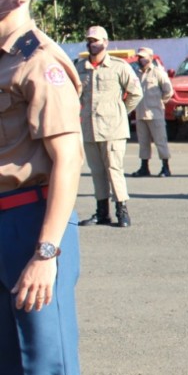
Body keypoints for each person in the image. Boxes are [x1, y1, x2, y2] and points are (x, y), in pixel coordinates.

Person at [0, 0, 91, 375]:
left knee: (46, 360)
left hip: (32, 220)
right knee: (11, 364)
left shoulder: (41, 58)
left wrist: (47, 250)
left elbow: (68, 158)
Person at [76, 24, 141, 228]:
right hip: (89, 128)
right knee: (96, 171)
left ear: (106, 42)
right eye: (89, 40)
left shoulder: (118, 66)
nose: (91, 43)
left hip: (113, 128)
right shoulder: (80, 67)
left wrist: (121, 112)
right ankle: (102, 212)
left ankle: (122, 210)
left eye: (95, 40)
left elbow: (135, 93)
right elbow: (74, 95)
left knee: (114, 169)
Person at [130, 46, 174, 178]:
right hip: (140, 113)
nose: (141, 59)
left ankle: (165, 167)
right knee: (143, 142)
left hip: (155, 113)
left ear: (150, 57)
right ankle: (144, 167)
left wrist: (160, 103)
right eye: (139, 57)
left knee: (160, 141)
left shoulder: (158, 73)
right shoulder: (136, 74)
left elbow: (168, 91)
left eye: (144, 56)